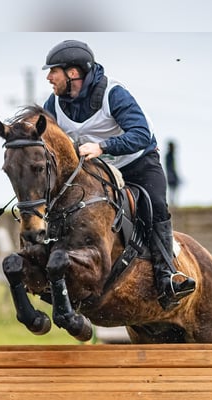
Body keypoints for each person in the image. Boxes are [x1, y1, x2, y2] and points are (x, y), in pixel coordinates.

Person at [41, 39, 195, 310]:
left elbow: (140, 134)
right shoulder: (53, 105)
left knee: (155, 205)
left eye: (53, 70)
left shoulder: (114, 94)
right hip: (96, 173)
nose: (48, 77)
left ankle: (167, 276)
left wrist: (102, 146)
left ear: (73, 73)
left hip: (138, 164)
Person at [164, 140, 180, 208]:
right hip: (171, 174)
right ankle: (172, 203)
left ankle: (173, 202)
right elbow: (170, 166)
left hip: (172, 174)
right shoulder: (169, 155)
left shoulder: (171, 155)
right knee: (172, 189)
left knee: (174, 189)